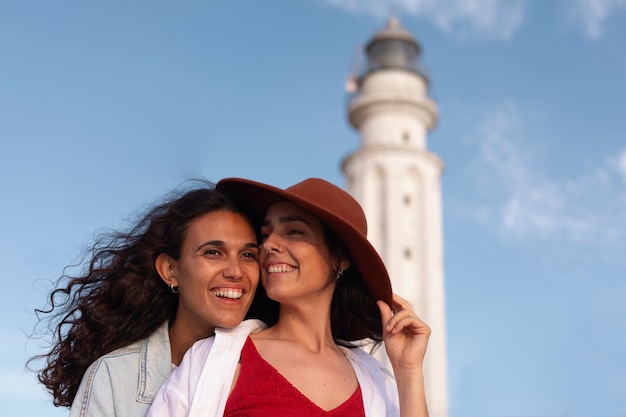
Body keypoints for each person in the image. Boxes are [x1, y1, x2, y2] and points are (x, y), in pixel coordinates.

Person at [148, 177, 431, 417]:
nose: (269, 245)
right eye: (265, 234)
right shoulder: (215, 358)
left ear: (341, 257)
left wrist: (408, 372)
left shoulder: (377, 382)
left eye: (294, 232)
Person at [29, 181, 263, 417]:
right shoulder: (114, 376)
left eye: (248, 255)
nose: (236, 271)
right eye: (213, 252)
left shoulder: (276, 368)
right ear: (170, 270)